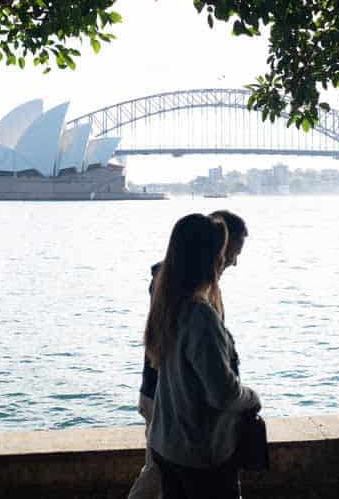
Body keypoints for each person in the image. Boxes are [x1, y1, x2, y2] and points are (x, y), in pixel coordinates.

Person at [128, 211, 248, 499]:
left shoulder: (177, 284)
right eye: (232, 251)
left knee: (163, 474)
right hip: (167, 399)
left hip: (164, 395)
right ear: (219, 245)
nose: (233, 260)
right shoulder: (188, 300)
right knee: (158, 473)